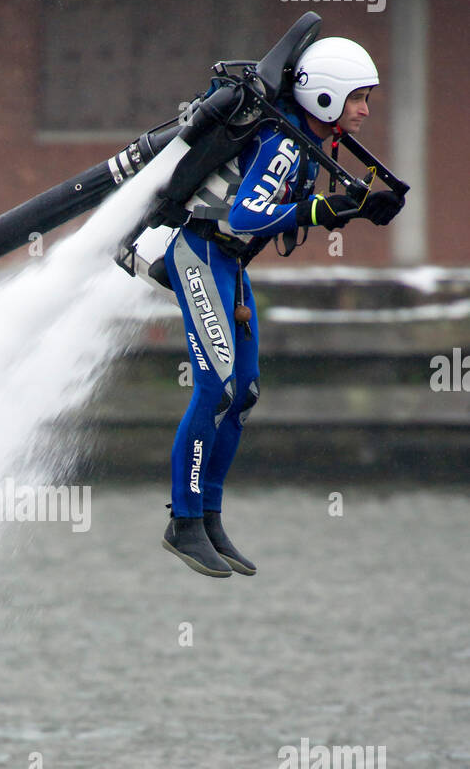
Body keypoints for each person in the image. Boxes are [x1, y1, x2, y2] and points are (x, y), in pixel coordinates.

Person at [152, 36, 405, 578]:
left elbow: (294, 210)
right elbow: (246, 217)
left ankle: (211, 515)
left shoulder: (307, 141)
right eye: (357, 98)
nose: (363, 110)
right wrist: (331, 208)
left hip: (230, 267)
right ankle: (184, 522)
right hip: (199, 253)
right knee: (216, 386)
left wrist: (355, 209)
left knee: (244, 392)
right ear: (325, 97)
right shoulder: (284, 143)